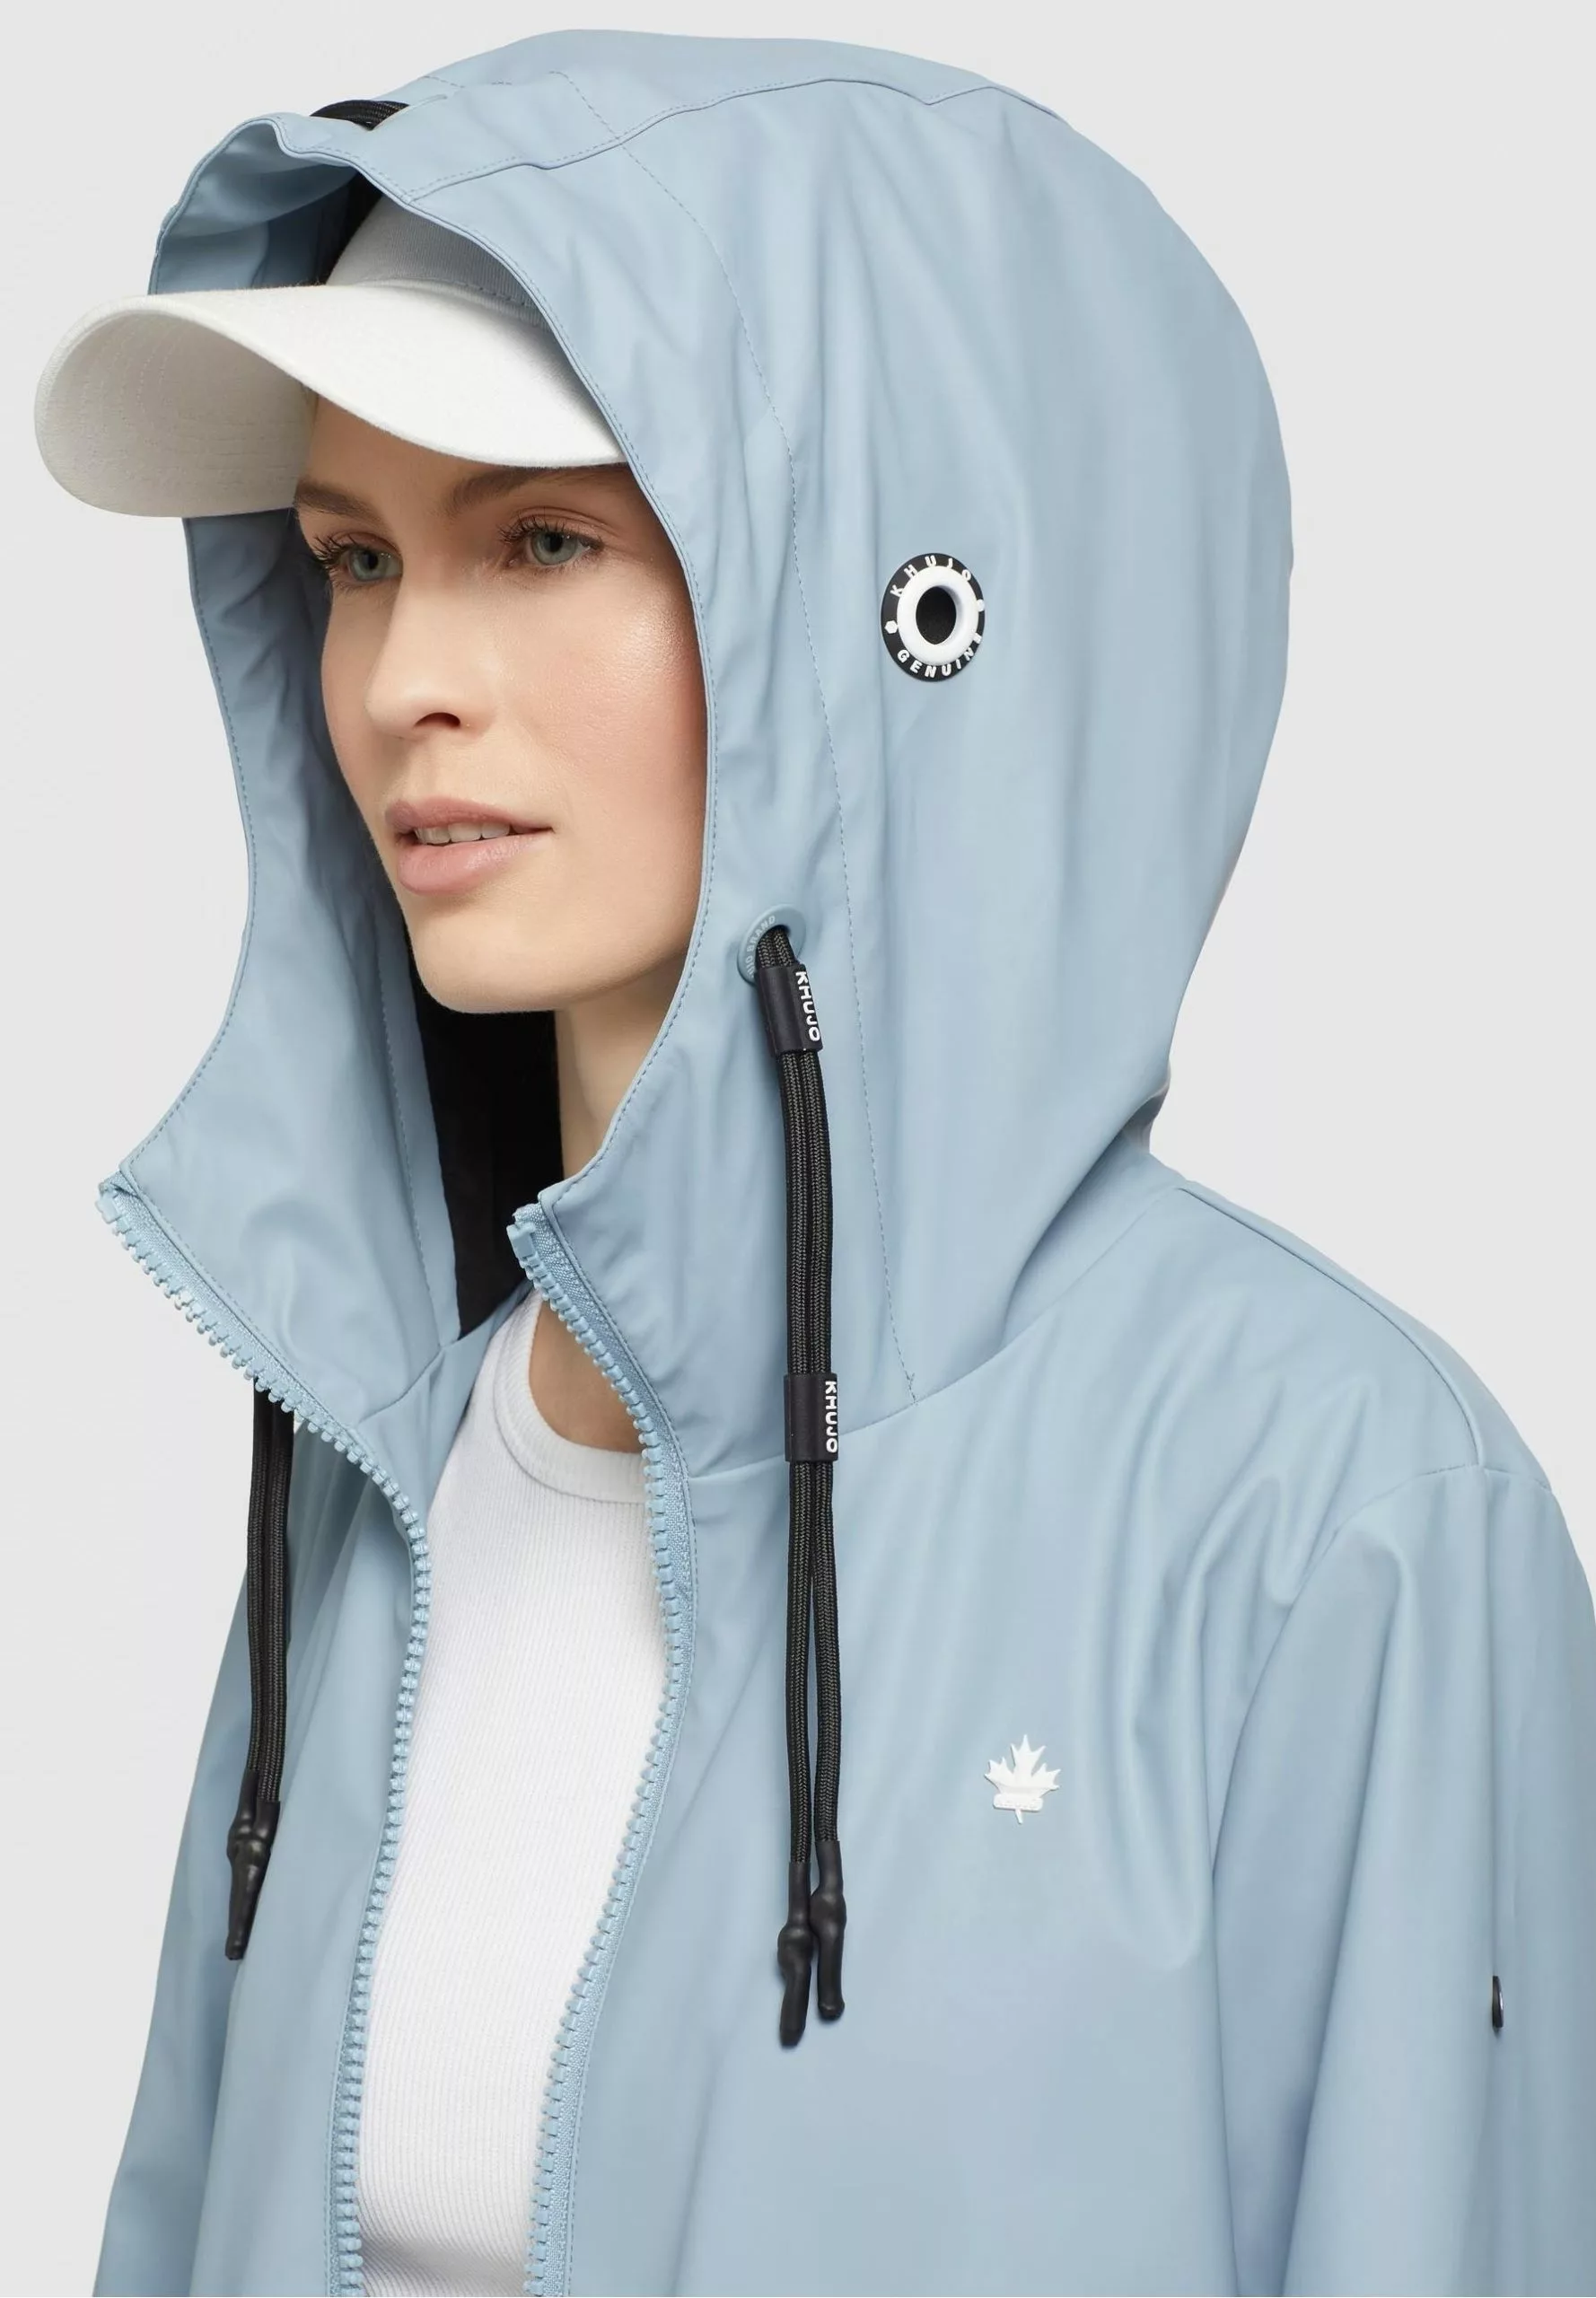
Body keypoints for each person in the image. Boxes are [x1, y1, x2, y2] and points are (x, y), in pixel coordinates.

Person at [33, 31, 1596, 2298]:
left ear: (914, 622)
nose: (398, 680)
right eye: (353, 558)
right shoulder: (376, 1464)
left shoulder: (1328, 1511)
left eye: (542, 537)